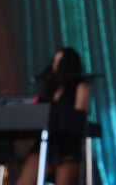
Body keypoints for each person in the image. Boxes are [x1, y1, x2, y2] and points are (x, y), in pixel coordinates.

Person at [14, 47, 91, 185]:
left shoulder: (80, 87)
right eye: (54, 61)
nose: (56, 65)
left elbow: (78, 118)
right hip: (47, 141)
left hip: (67, 146)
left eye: (60, 61)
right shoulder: (50, 89)